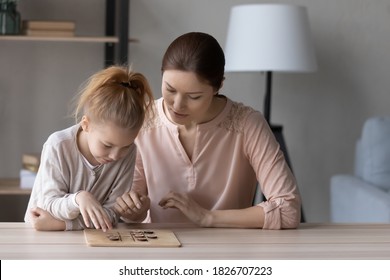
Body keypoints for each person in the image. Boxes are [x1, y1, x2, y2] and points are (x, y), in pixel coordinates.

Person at [114, 32, 301, 229]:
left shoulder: (247, 124)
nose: (177, 105)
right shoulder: (143, 120)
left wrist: (207, 217)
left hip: (229, 253)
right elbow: (130, 208)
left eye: (193, 97)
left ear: (218, 86)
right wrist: (134, 209)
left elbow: (288, 210)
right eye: (170, 89)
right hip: (159, 251)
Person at [24, 65, 154, 231]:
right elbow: (47, 207)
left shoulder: (129, 153)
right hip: (41, 237)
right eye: (107, 145)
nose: (115, 156)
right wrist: (79, 199)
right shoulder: (58, 146)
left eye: (126, 146)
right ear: (86, 125)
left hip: (89, 238)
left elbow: (111, 216)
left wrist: (64, 224)